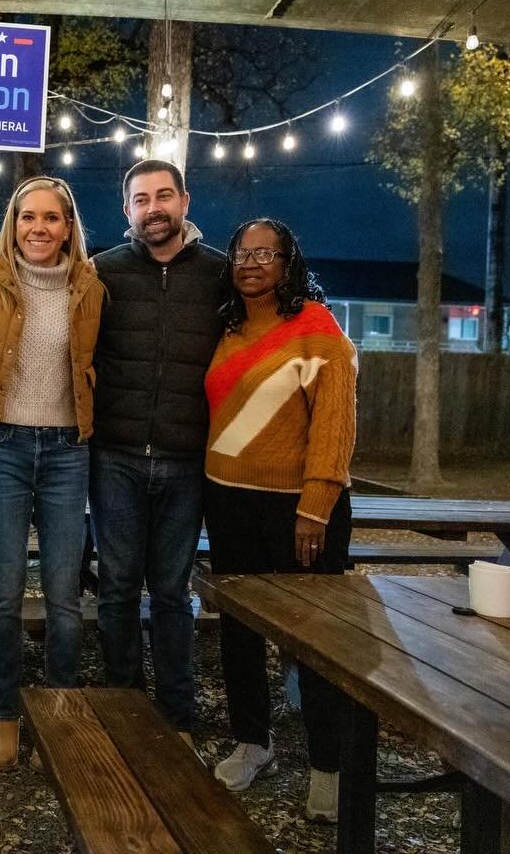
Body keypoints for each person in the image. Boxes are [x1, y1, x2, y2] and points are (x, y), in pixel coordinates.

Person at [201, 217, 357, 823]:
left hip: (299, 509)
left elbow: (335, 427)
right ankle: (253, 742)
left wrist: (315, 506)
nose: (251, 262)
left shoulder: (317, 329)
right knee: (240, 630)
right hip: (227, 500)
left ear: (289, 262)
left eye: (266, 253)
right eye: (242, 252)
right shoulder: (229, 327)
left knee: (313, 640)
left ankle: (328, 766)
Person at [0, 175, 104, 770]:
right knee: (5, 588)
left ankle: (59, 709)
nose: (38, 228)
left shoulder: (93, 289)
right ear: (11, 223)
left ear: (69, 227)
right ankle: (7, 713)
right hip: (6, 447)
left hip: (69, 449)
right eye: (27, 217)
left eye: (51, 218)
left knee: (64, 594)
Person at [88, 158, 224, 738]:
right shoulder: (102, 272)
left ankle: (176, 714)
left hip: (187, 459)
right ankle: (124, 706)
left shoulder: (220, 274)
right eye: (141, 200)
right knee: (117, 587)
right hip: (115, 456)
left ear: (185, 201)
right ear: (127, 211)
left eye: (163, 196)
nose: (153, 209)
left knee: (172, 592)